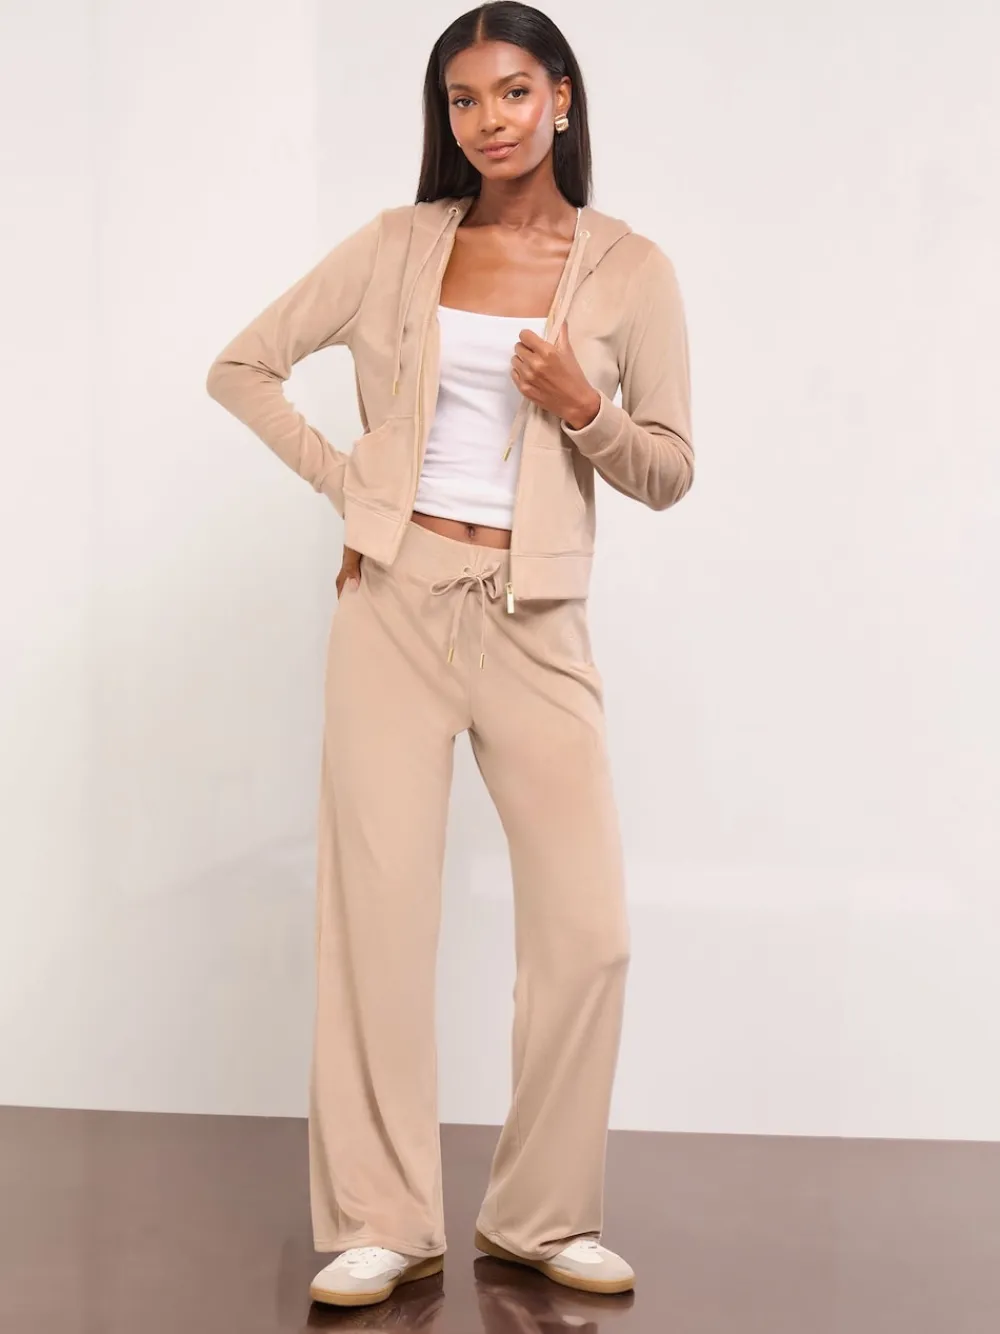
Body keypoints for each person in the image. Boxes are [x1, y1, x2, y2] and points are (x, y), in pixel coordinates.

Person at [205, 0, 692, 1311]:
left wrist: (585, 410)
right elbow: (243, 367)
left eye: (514, 92)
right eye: (464, 100)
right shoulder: (396, 244)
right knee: (378, 922)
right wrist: (358, 492)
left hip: (538, 621)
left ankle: (543, 1213)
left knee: (588, 933)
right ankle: (384, 1219)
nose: (489, 121)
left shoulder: (632, 268)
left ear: (563, 99)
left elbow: (668, 469)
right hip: (395, 607)